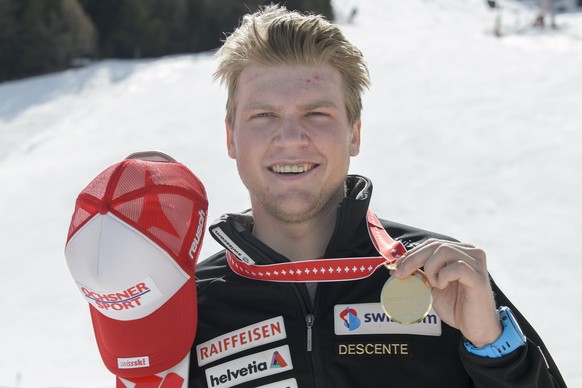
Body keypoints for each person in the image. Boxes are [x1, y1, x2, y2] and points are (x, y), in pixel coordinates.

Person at [189, 5, 565, 387]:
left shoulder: (440, 278)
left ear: (354, 134)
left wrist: (493, 347)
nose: (290, 138)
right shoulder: (191, 309)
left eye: (316, 114)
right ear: (230, 137)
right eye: (264, 115)